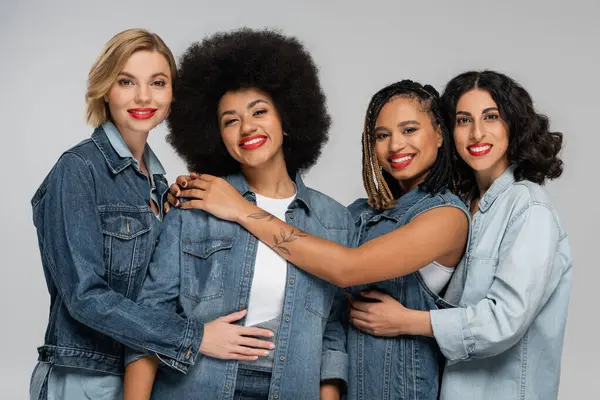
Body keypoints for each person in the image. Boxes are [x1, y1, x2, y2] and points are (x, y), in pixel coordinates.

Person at [169, 78, 470, 399]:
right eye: (382, 135)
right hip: (352, 383)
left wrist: (242, 209)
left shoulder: (446, 216)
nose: (396, 145)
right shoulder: (359, 214)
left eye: (409, 130)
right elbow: (328, 309)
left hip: (398, 386)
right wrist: (193, 193)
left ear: (439, 133)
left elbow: (347, 269)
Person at [124, 28, 352, 400]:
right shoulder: (194, 205)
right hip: (197, 388)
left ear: (287, 117)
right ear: (217, 135)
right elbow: (151, 317)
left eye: (259, 111)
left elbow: (331, 332)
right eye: (230, 120)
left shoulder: (336, 221)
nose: (247, 127)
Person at [29, 29, 206, 400]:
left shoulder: (158, 185)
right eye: (127, 81)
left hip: (142, 375)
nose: (144, 96)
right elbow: (85, 296)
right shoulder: (78, 169)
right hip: (85, 375)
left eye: (158, 83)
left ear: (172, 95)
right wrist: (192, 337)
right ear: (105, 88)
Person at [378, 71, 571, 400]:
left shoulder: (529, 208)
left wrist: (406, 321)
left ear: (514, 124)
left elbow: (503, 320)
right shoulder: (462, 206)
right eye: (463, 120)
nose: (477, 133)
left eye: (491, 117)